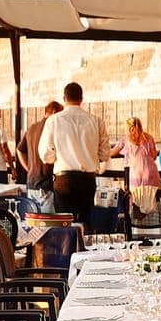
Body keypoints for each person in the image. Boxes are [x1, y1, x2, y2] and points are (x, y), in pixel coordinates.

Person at [38, 80, 110, 226]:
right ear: (81, 99)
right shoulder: (96, 121)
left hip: (64, 180)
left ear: (64, 98)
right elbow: (104, 154)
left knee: (64, 226)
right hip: (87, 180)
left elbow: (45, 155)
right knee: (85, 225)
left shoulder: (53, 121)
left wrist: (58, 156)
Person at [16, 99, 62, 209]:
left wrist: (29, 168)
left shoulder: (32, 127)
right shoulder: (54, 128)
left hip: (32, 182)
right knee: (48, 223)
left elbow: (20, 150)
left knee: (33, 221)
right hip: (48, 183)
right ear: (54, 112)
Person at [112, 116, 160, 190]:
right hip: (151, 173)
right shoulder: (149, 138)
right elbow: (154, 156)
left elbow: (112, 153)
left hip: (136, 174)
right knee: (151, 199)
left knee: (135, 198)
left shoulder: (126, 140)